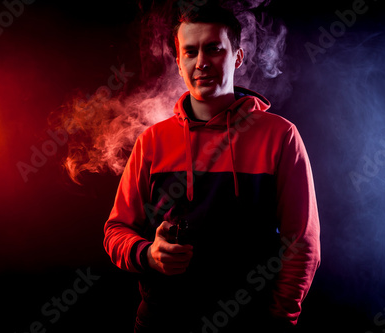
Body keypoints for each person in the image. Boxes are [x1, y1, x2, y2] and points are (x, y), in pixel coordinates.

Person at [103, 3, 320, 332]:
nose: (201, 62)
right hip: (162, 323)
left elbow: (302, 242)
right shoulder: (152, 141)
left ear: (238, 57)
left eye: (214, 49)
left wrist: (279, 322)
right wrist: (149, 255)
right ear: (179, 63)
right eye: (189, 52)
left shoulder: (280, 136)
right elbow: (115, 232)